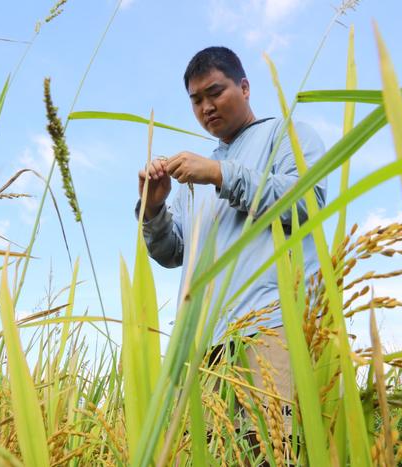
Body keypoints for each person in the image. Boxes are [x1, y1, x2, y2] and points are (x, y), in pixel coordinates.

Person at [135, 46, 326, 459]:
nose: (206, 107)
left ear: (244, 86)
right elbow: (172, 253)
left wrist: (221, 174)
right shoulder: (194, 173)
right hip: (207, 344)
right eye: (196, 100)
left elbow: (307, 200)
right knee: (217, 455)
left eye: (215, 92)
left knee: (277, 451)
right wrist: (153, 208)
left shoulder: (285, 135)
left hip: (274, 328)